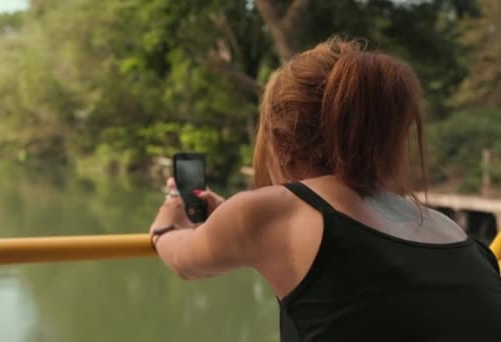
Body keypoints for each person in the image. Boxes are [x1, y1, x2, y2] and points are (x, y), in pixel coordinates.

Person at [148, 37, 501, 342]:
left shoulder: (273, 213)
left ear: (280, 143)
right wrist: (234, 221)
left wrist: (166, 222)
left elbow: (184, 260)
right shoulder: (449, 229)